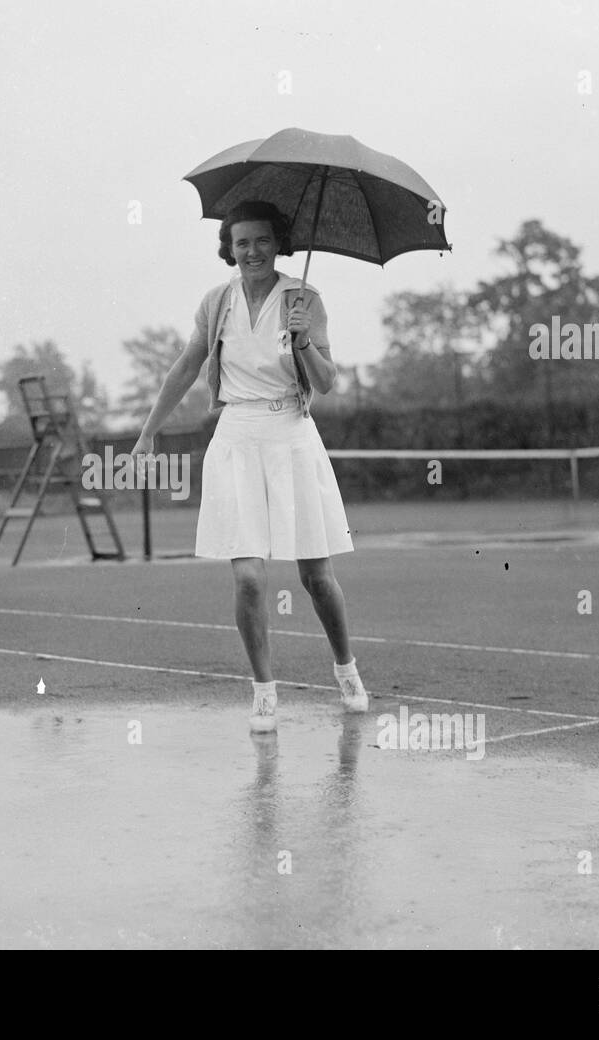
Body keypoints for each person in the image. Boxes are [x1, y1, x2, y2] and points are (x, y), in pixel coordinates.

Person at [133, 200, 372, 733]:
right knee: (247, 579)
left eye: (262, 240)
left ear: (277, 243)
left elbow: (328, 382)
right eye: (242, 242)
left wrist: (302, 338)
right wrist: (149, 431)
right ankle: (264, 691)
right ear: (229, 248)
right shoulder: (216, 302)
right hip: (236, 438)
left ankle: (346, 668)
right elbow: (186, 366)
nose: (252, 251)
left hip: (292, 434)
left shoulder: (305, 299)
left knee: (315, 574)